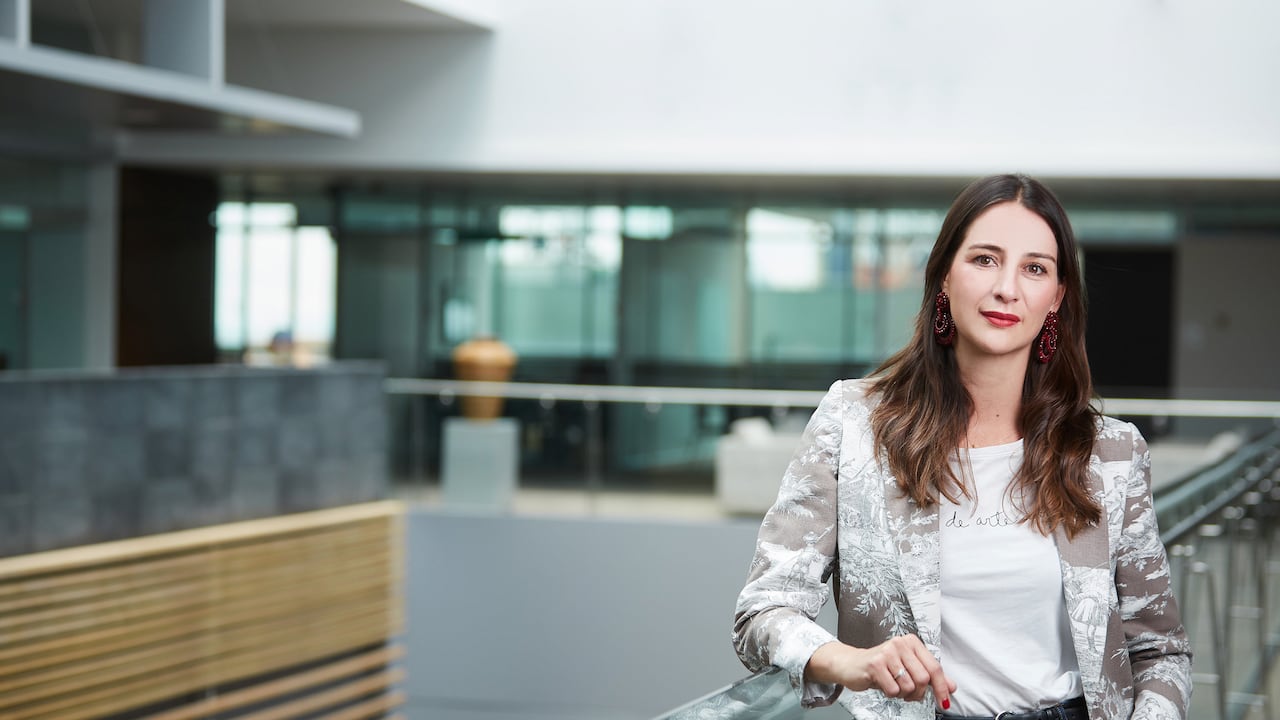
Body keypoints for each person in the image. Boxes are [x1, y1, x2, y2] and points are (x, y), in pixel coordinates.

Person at [732, 174, 1191, 720]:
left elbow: (1160, 652)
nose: (1007, 288)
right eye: (985, 259)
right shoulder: (854, 424)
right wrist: (847, 660)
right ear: (944, 275)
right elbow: (761, 612)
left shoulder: (1110, 454)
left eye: (1035, 268)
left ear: (1057, 298)